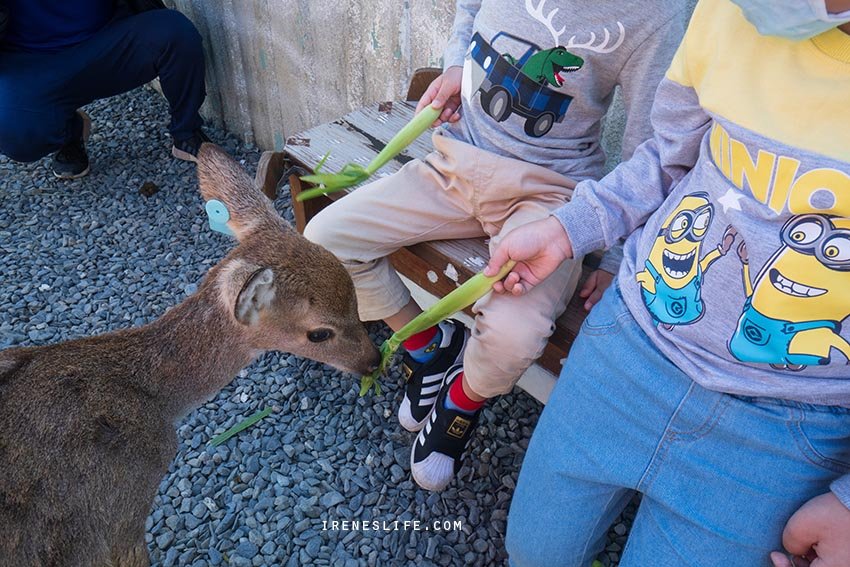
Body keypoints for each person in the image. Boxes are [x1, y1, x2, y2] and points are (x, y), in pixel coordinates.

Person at [488, 0, 850, 564]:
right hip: (627, 348)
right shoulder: (729, 12)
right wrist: (567, 231)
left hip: (786, 432)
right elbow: (667, 156)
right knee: (533, 551)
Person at [305, 0, 689, 491]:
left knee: (514, 332)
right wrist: (455, 67)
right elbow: (469, 10)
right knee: (324, 243)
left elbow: (648, 149)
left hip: (549, 196)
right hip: (454, 161)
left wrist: (615, 252)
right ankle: (429, 349)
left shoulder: (655, 15)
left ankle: (460, 401)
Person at [0, 0, 207, 179]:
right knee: (15, 132)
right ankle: (70, 131)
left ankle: (186, 132)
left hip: (107, 43)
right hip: (28, 62)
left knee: (175, 33)